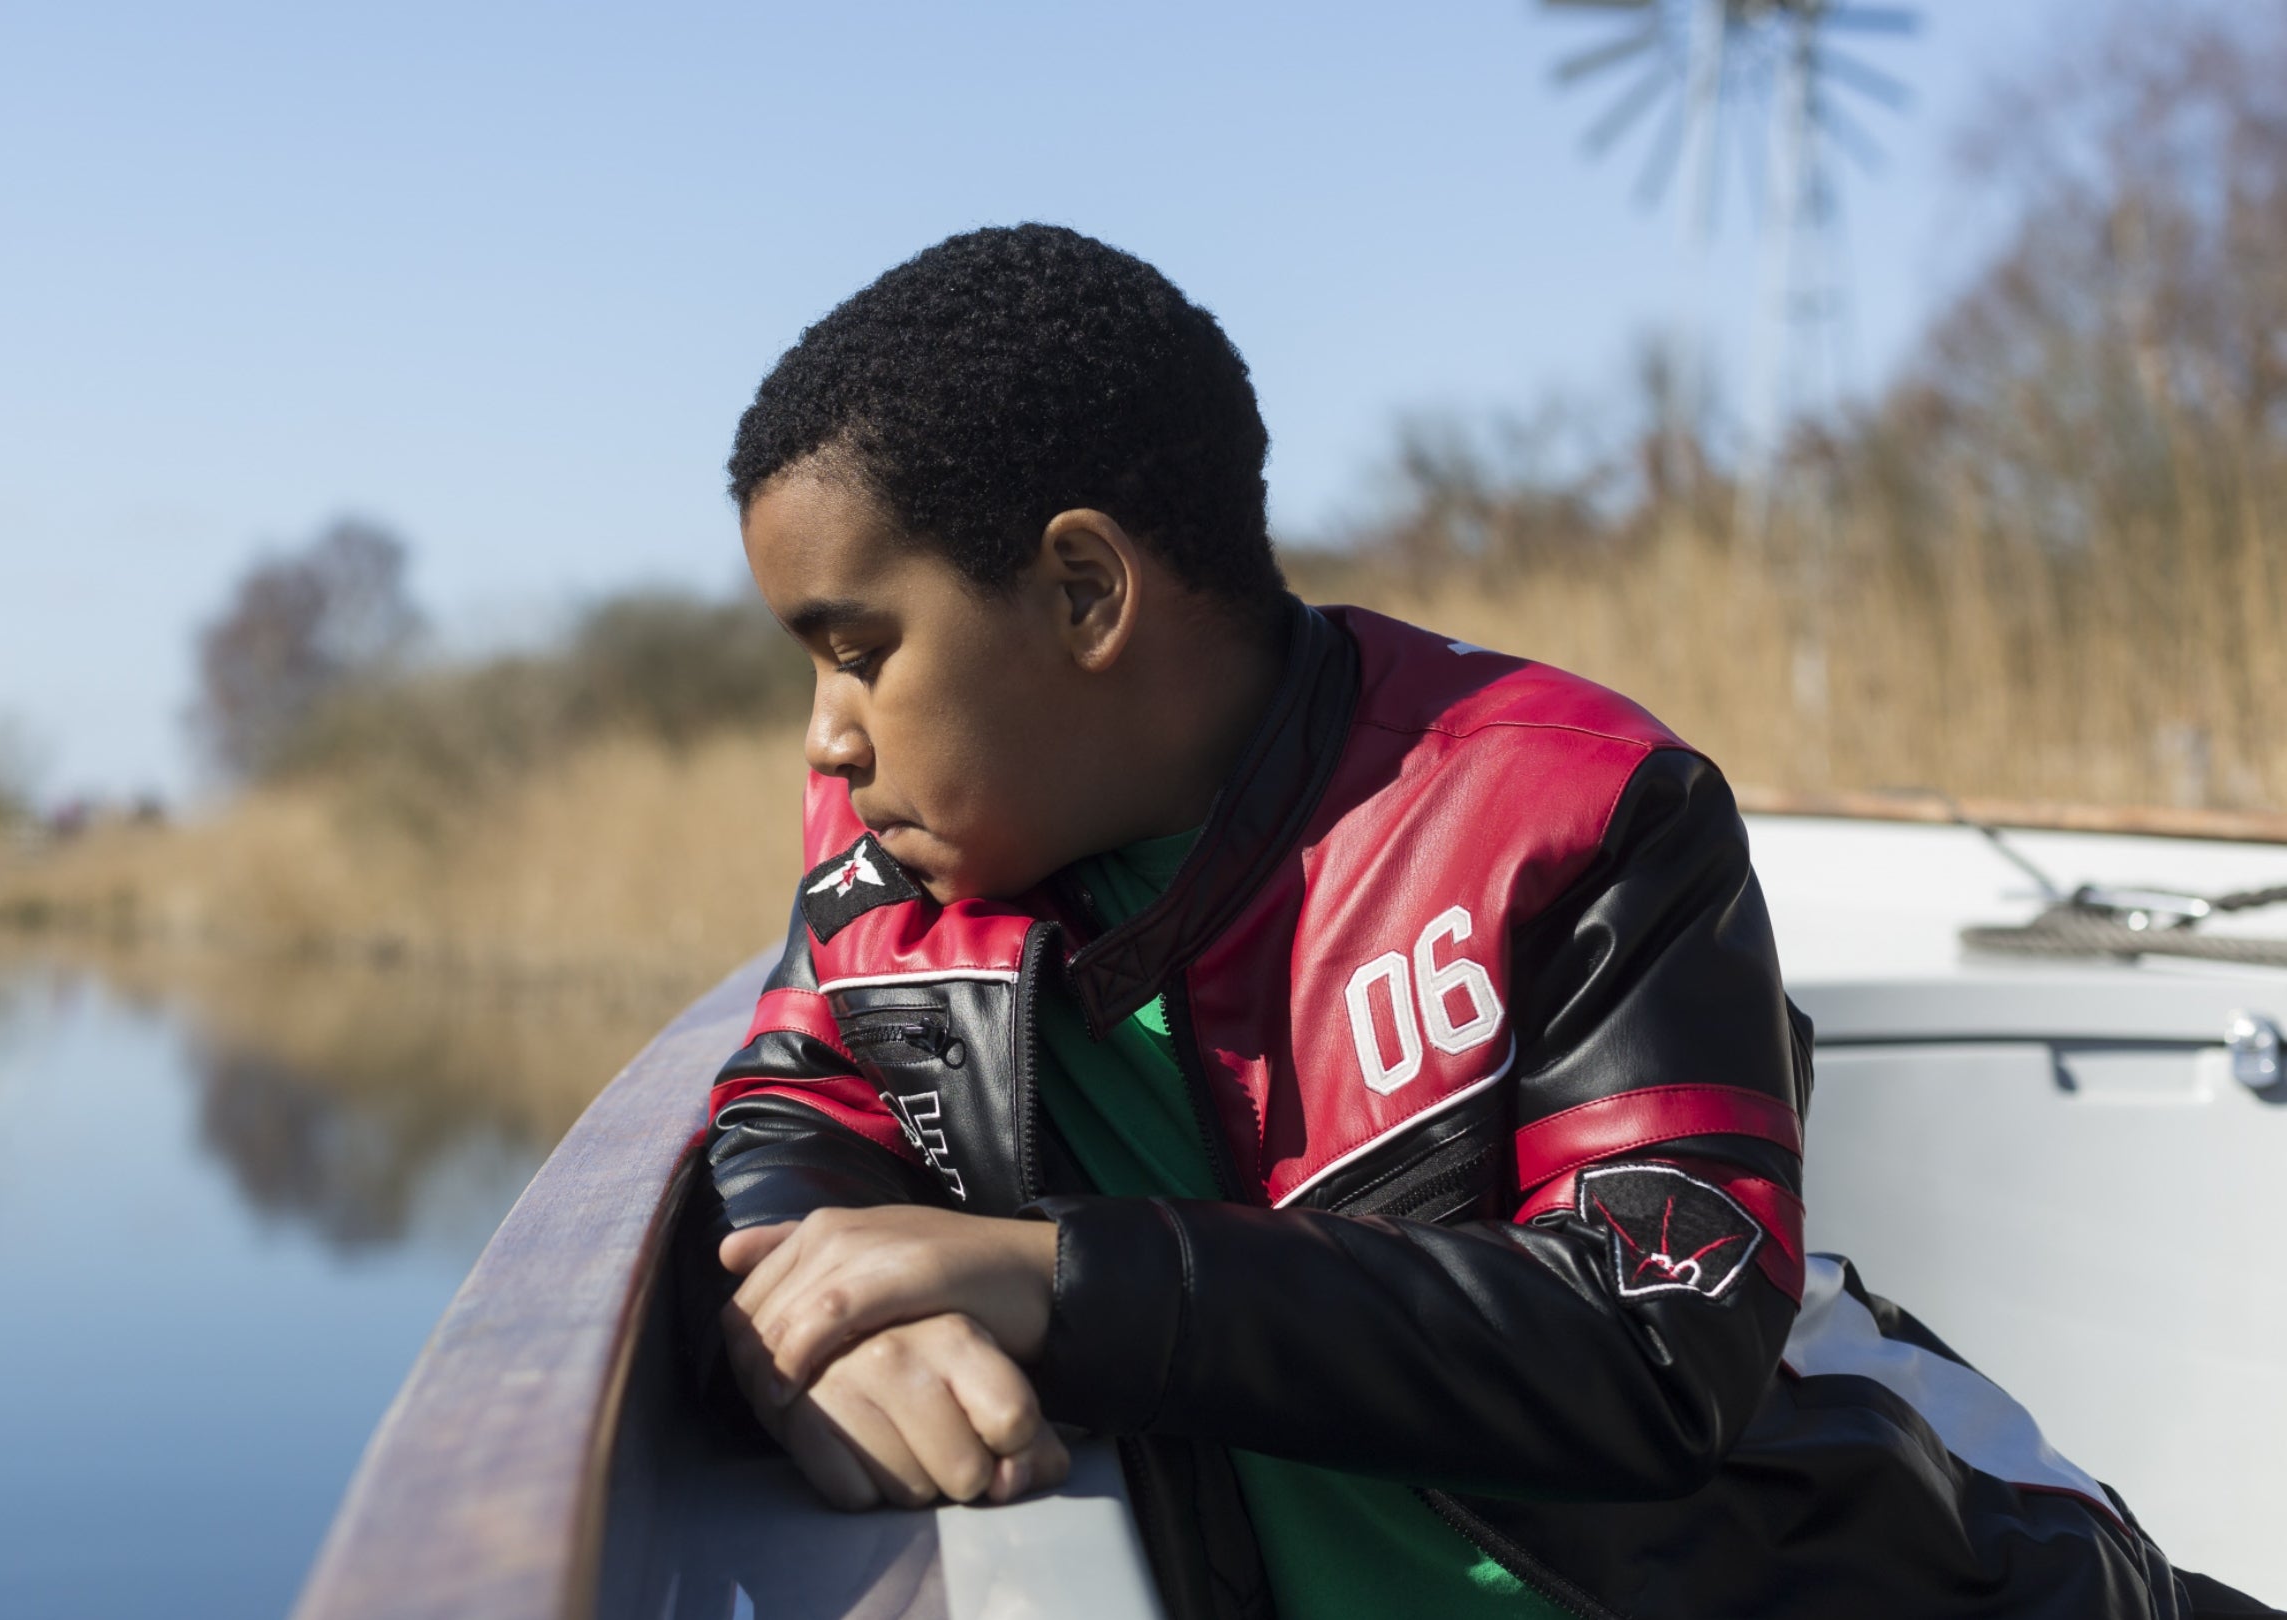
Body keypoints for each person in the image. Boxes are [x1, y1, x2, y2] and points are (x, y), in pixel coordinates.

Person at [698, 224, 2248, 1620]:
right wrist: (829, 1315)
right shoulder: (897, 860)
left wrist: (1057, 1275)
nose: (824, 737)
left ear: (1087, 594)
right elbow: (787, 1103)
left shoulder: (1570, 811)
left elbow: (1654, 1340)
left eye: (858, 651)